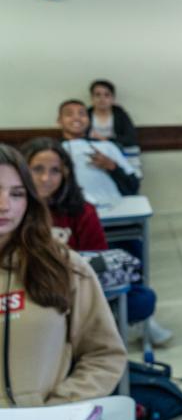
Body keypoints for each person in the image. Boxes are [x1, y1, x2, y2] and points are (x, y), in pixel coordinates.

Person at [0, 144, 126, 406]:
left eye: (17, 194)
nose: (4, 205)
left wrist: (59, 408)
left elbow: (103, 354)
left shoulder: (64, 265)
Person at [21, 138, 171, 346]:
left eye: (55, 170)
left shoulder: (82, 210)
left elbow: (96, 263)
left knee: (142, 299)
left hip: (72, 288)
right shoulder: (12, 209)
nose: (46, 178)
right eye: (37, 169)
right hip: (23, 288)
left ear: (65, 173)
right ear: (23, 170)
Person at [58, 99, 140, 207]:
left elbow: (133, 186)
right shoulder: (54, 150)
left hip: (114, 208)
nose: (76, 118)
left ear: (88, 120)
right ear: (59, 121)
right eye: (69, 114)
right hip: (73, 212)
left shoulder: (107, 146)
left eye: (82, 114)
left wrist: (112, 166)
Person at [87, 80, 138, 149]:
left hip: (117, 150)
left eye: (107, 95)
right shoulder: (85, 115)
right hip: (91, 150)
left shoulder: (120, 115)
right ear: (92, 98)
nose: (102, 99)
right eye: (97, 95)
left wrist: (106, 139)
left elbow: (131, 138)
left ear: (112, 98)